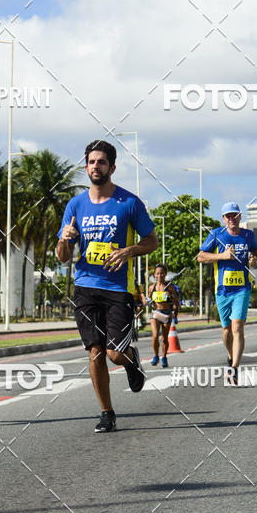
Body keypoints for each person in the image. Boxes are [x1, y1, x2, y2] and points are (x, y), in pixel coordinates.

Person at [56, 140, 158, 433]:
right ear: (85, 166)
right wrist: (64, 238)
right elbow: (62, 255)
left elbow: (151, 241)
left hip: (118, 288)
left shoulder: (128, 203)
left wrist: (128, 251)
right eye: (91, 162)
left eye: (101, 162)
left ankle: (130, 360)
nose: (95, 167)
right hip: (85, 285)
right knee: (95, 352)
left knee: (114, 352)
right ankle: (106, 412)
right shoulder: (75, 204)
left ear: (112, 167)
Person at [197, 202, 257, 385]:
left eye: (234, 215)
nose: (231, 219)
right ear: (223, 218)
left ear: (240, 216)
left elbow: (255, 250)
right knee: (226, 330)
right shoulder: (216, 234)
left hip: (242, 288)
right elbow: (201, 256)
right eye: (227, 216)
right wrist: (221, 256)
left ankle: (234, 369)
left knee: (237, 326)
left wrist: (255, 257)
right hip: (223, 290)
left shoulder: (248, 235)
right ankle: (231, 357)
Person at [146, 263, 179, 367]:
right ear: (154, 275)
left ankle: (164, 357)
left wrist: (171, 296)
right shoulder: (152, 287)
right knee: (155, 335)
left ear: (165, 275)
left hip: (166, 314)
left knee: (164, 338)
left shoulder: (170, 287)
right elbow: (148, 300)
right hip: (155, 313)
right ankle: (156, 356)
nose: (159, 275)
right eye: (157, 273)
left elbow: (176, 303)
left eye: (162, 273)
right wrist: (147, 301)